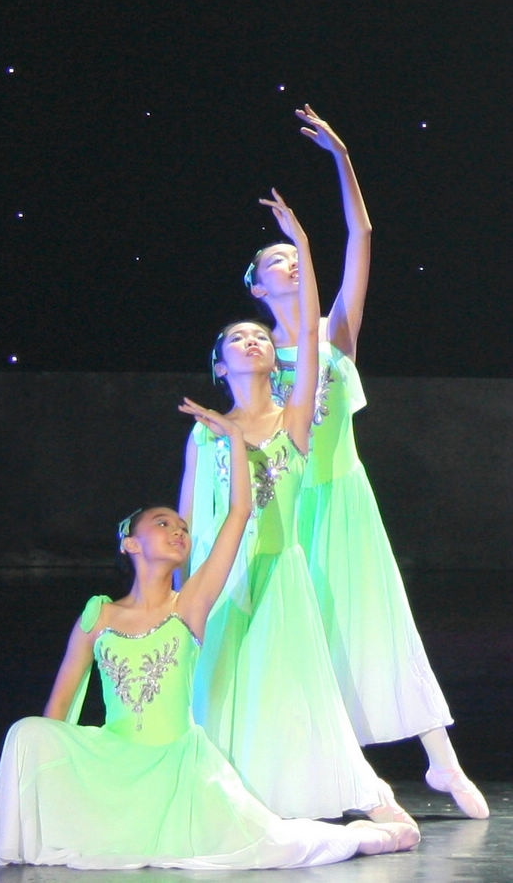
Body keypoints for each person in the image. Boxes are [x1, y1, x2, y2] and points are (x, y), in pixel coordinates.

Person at [0, 400, 419, 870]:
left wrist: (235, 439)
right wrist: (56, 777)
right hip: (118, 758)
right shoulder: (99, 615)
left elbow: (238, 514)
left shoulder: (189, 603)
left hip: (176, 767)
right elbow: (59, 711)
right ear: (130, 544)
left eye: (183, 527)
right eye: (162, 524)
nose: (178, 531)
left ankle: (370, 837)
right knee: (27, 733)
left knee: (276, 845)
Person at [242, 103, 488, 820]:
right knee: (307, 637)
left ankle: (441, 760)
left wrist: (341, 158)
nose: (287, 262)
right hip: (288, 508)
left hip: (344, 498)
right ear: (256, 288)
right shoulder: (255, 354)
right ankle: (345, 777)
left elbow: (362, 235)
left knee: (379, 622)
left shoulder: (334, 335)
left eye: (292, 255)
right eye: (274, 260)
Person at [179, 188, 417, 826]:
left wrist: (304, 243)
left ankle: (342, 787)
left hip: (281, 568)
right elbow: (187, 524)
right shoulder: (205, 434)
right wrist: (179, 599)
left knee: (291, 681)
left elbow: (312, 334)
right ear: (218, 364)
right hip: (221, 579)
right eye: (238, 337)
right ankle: (229, 789)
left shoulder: (293, 422)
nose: (253, 341)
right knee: (223, 686)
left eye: (259, 336)